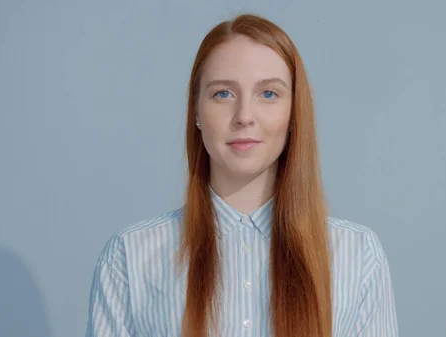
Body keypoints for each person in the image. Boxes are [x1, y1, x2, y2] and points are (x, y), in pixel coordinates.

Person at [85, 13, 399, 337]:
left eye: (268, 94)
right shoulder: (129, 257)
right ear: (195, 111)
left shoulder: (357, 256)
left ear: (294, 113)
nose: (244, 116)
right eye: (223, 93)